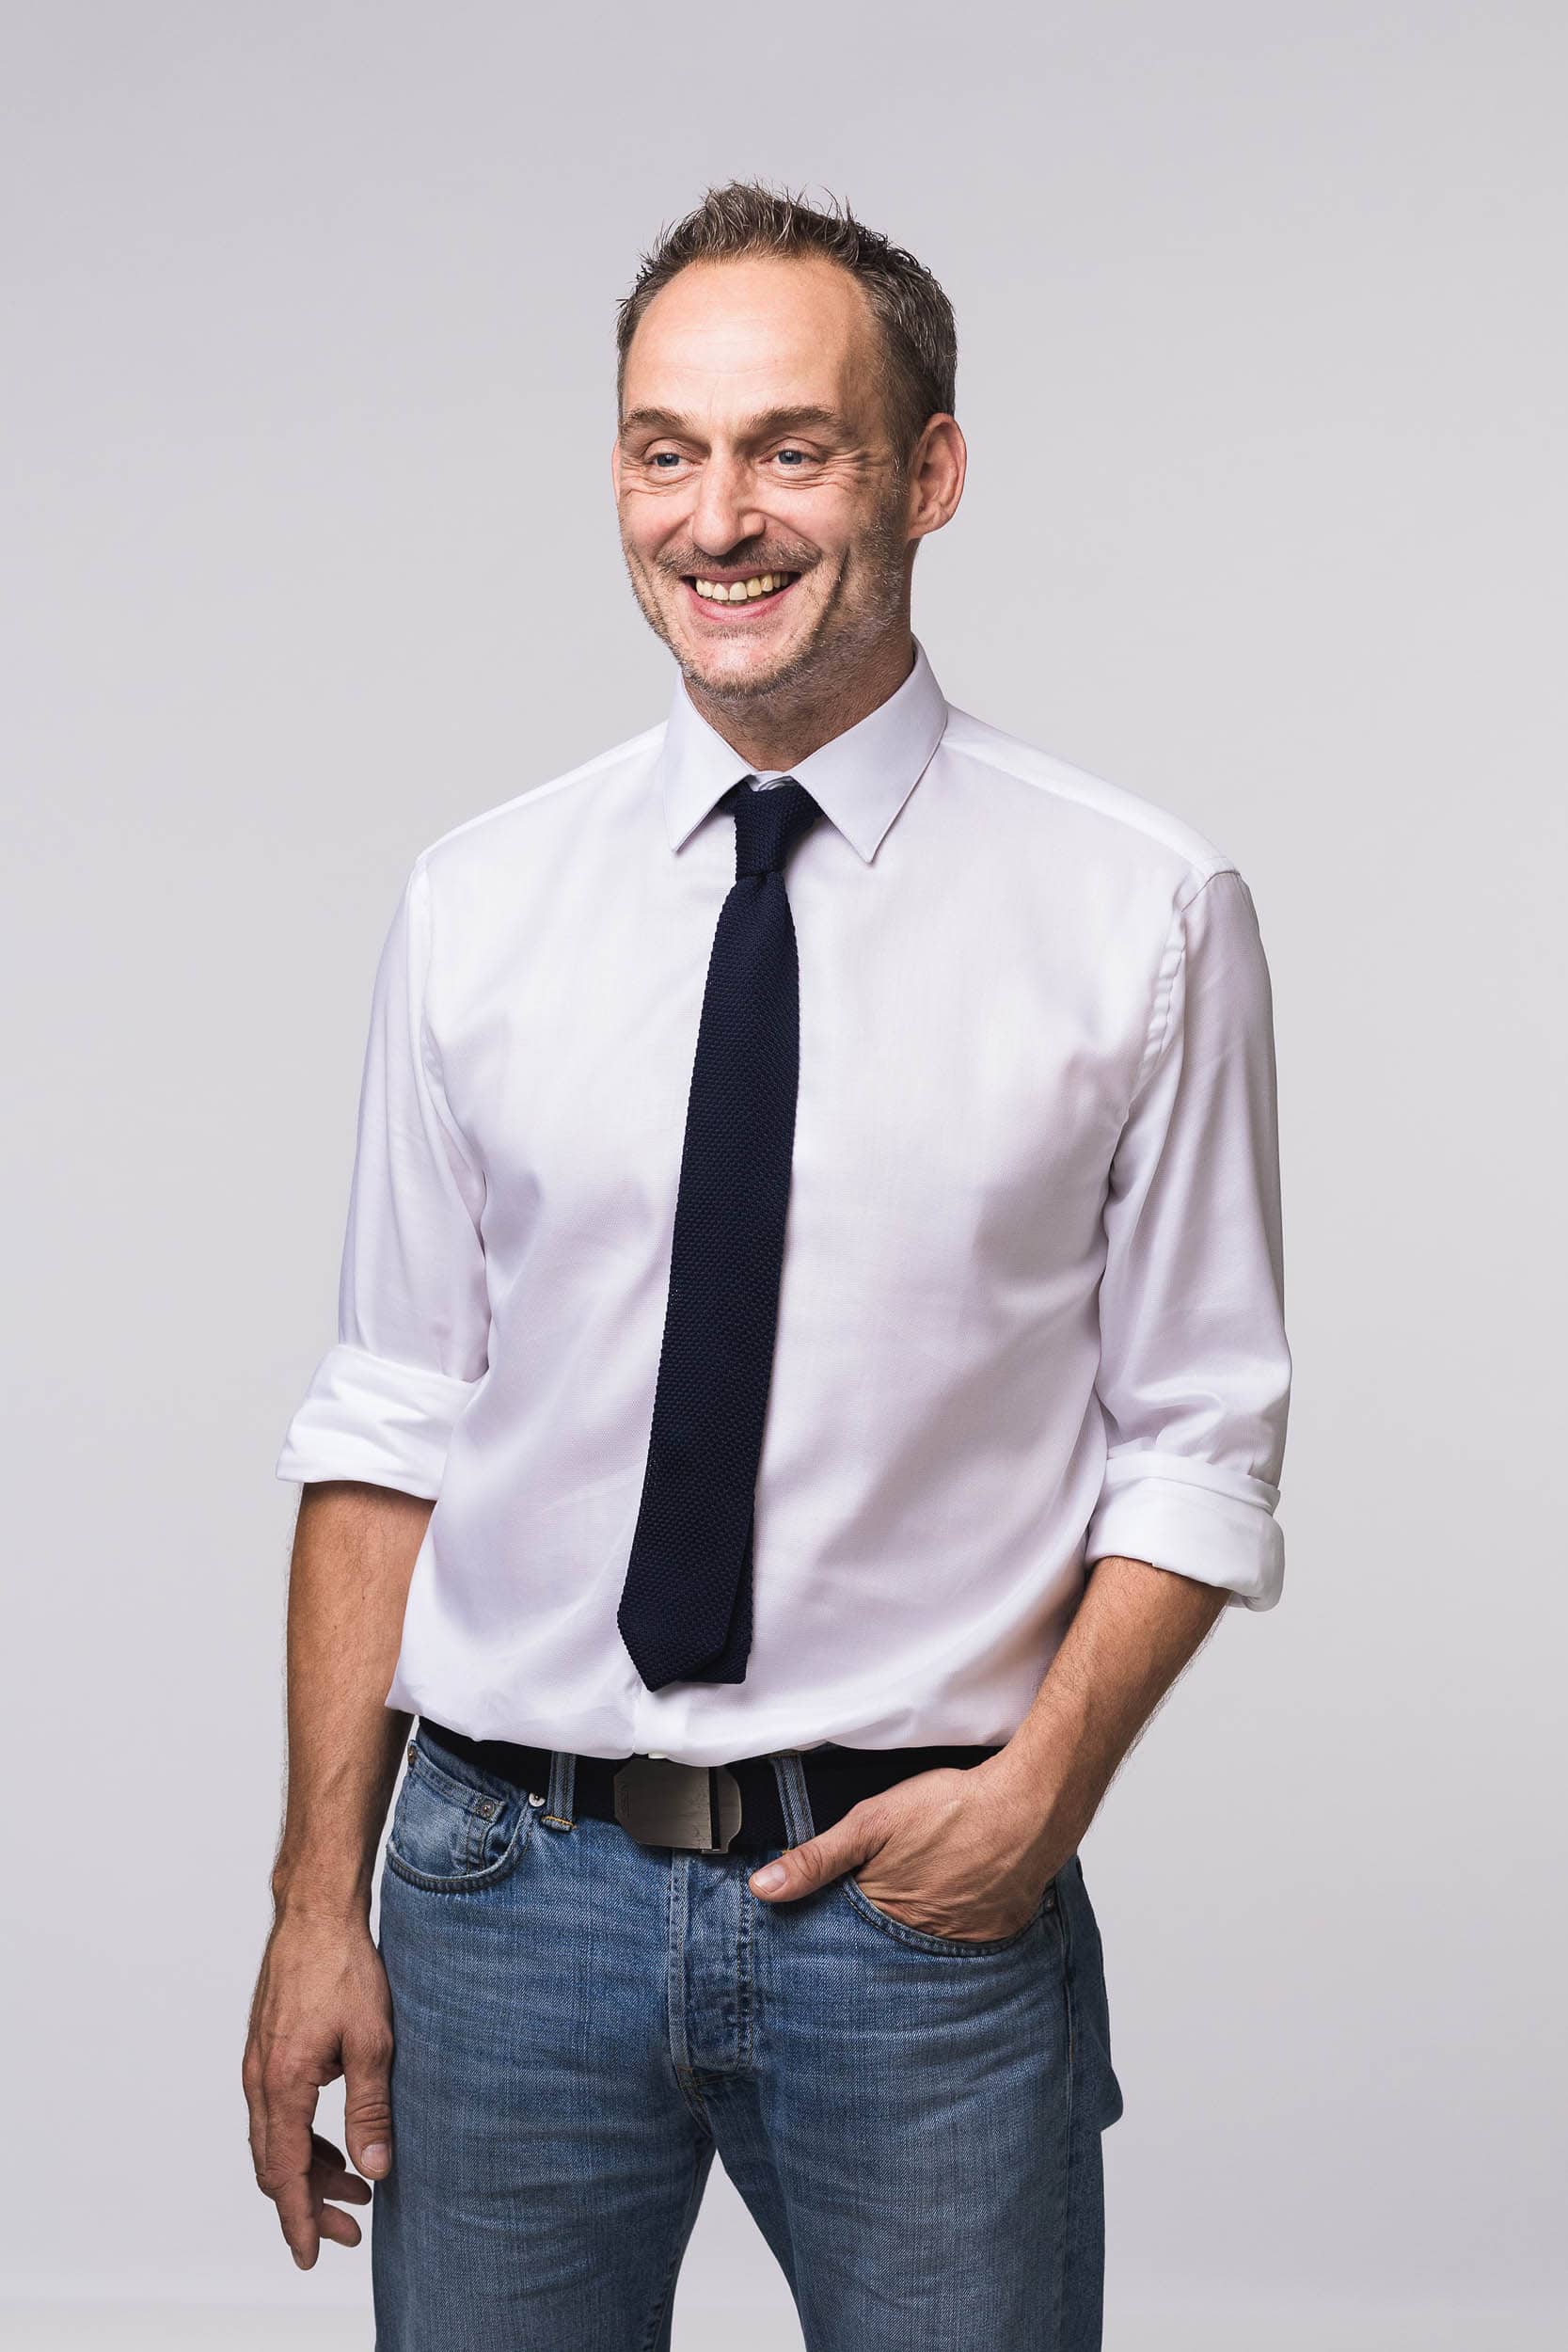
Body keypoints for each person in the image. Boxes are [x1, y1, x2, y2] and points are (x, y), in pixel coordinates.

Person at [244, 180, 1291, 2352]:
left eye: (790, 448)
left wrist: (1041, 1800)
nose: (717, 518)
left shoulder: (1144, 915)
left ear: (929, 472)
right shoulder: (477, 905)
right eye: (663, 448)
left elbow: (1200, 1432)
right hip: (498, 1899)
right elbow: (387, 1415)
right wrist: (310, 1904)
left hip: (913, 1920)